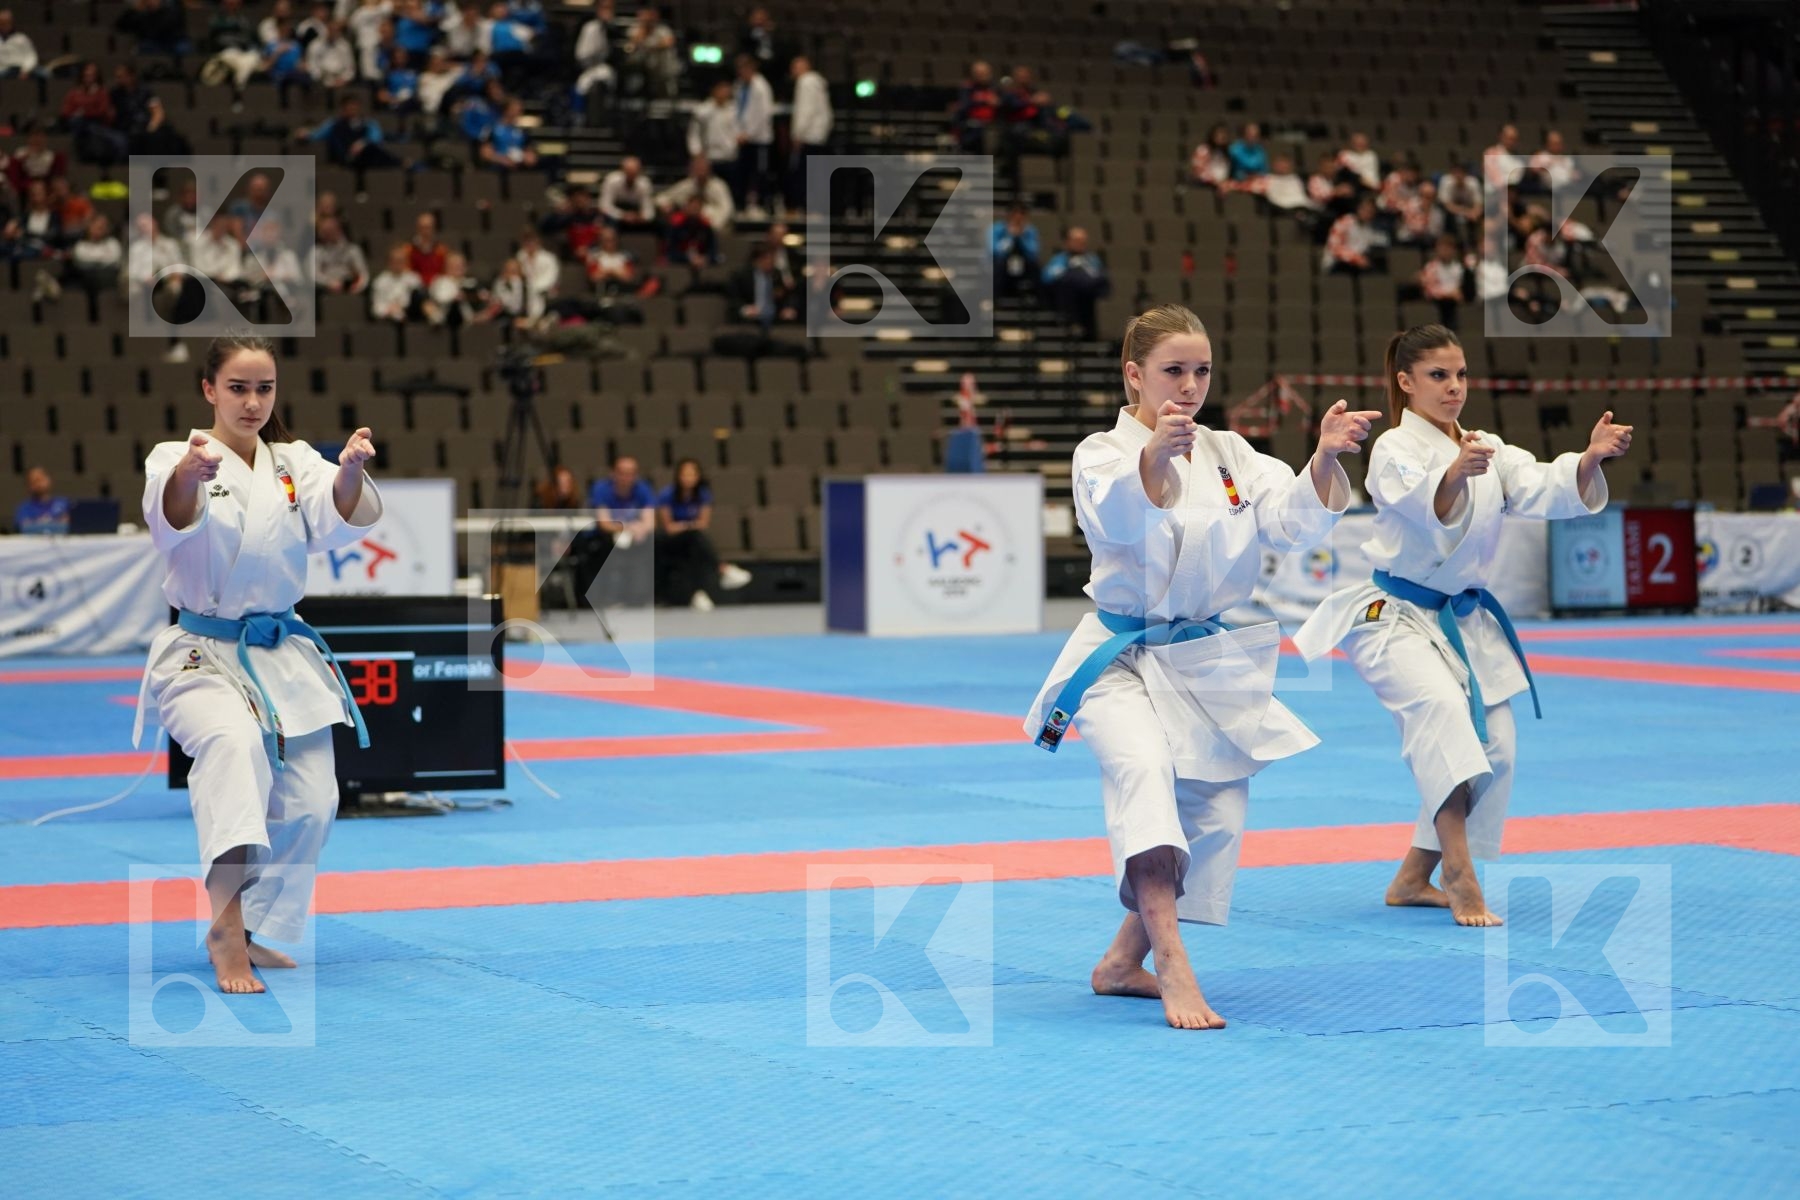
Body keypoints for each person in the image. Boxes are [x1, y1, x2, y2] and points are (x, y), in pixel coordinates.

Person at [1023, 303, 1375, 1029]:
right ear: (1135, 375)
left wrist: (1325, 458)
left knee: (1215, 811)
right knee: (1146, 778)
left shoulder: (1230, 454)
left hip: (1202, 657)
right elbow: (1118, 521)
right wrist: (1152, 457)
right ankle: (1174, 966)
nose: (1189, 386)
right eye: (1172, 371)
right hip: (1117, 657)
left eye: (1201, 371)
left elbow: (1291, 520)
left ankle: (1122, 962)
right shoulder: (1101, 453)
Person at [1293, 324, 1630, 926]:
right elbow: (1421, 507)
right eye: (1439, 376)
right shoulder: (1396, 449)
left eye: (1461, 375)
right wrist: (1454, 474)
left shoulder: (1485, 444)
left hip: (1462, 617)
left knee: (1498, 745)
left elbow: (1542, 486)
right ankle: (1459, 870)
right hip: (1392, 617)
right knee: (1445, 721)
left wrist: (1589, 458)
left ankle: (1411, 877)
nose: (1455, 388)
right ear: (1406, 381)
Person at [130, 335, 382, 993]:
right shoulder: (175, 457)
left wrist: (351, 466)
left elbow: (339, 510)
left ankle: (252, 926)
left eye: (264, 388)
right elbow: (171, 514)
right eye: (238, 388)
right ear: (209, 389)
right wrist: (189, 476)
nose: (252, 401)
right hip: (201, 654)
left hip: (279, 652)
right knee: (236, 752)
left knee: (312, 801)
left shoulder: (294, 461)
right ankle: (224, 926)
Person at [656, 458, 752, 610]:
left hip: (691, 540)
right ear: (678, 476)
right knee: (695, 537)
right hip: (669, 542)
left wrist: (686, 526)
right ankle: (723, 569)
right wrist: (689, 526)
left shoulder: (703, 494)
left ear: (698, 476)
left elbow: (703, 524)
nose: (688, 478)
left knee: (696, 545)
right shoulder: (667, 494)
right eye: (685, 474)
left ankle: (697, 594)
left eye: (692, 474)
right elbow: (669, 527)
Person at [571, 454, 656, 602]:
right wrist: (628, 527)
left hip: (635, 538)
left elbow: (650, 523)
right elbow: (604, 523)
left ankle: (642, 594)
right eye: (622, 473)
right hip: (605, 537)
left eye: (630, 473)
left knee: (654, 541)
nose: (626, 477)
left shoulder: (643, 489)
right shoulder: (601, 489)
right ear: (613, 473)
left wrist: (639, 530)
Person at [1041, 227, 1110, 339]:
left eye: (1082, 241)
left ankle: (1089, 333)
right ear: (1068, 242)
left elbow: (1101, 277)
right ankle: (1072, 325)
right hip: (1065, 299)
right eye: (1076, 241)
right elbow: (1047, 277)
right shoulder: (1060, 259)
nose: (1080, 244)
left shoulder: (1091, 260)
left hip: (1087, 297)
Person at [786, 54, 832, 212]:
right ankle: (814, 206)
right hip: (819, 136)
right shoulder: (818, 82)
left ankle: (804, 207)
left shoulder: (806, 82)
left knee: (805, 175)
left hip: (809, 137)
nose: (792, 71)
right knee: (815, 174)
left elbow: (805, 111)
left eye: (795, 67)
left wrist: (798, 134)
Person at [732, 54, 775, 218]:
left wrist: (749, 134)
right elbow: (737, 111)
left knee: (759, 173)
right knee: (743, 172)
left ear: (751, 69)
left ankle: (761, 204)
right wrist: (738, 133)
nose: (741, 73)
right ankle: (742, 204)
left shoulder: (761, 87)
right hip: (742, 138)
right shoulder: (739, 85)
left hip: (759, 139)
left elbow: (763, 114)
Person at [991, 203, 1041, 298]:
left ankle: (1037, 301)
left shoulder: (1030, 231)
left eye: (1021, 214)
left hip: (1024, 263)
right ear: (1009, 215)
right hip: (1002, 263)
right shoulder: (997, 229)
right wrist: (1010, 236)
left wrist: (1021, 237)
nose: (1018, 218)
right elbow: (994, 251)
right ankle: (995, 300)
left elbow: (1034, 252)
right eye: (1015, 214)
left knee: (1036, 266)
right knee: (998, 265)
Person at [13, 466, 70, 534]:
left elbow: (72, 525)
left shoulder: (63, 503)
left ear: (48, 480)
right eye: (35, 481)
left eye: (41, 479)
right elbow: (23, 527)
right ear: (29, 486)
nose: (39, 484)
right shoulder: (24, 509)